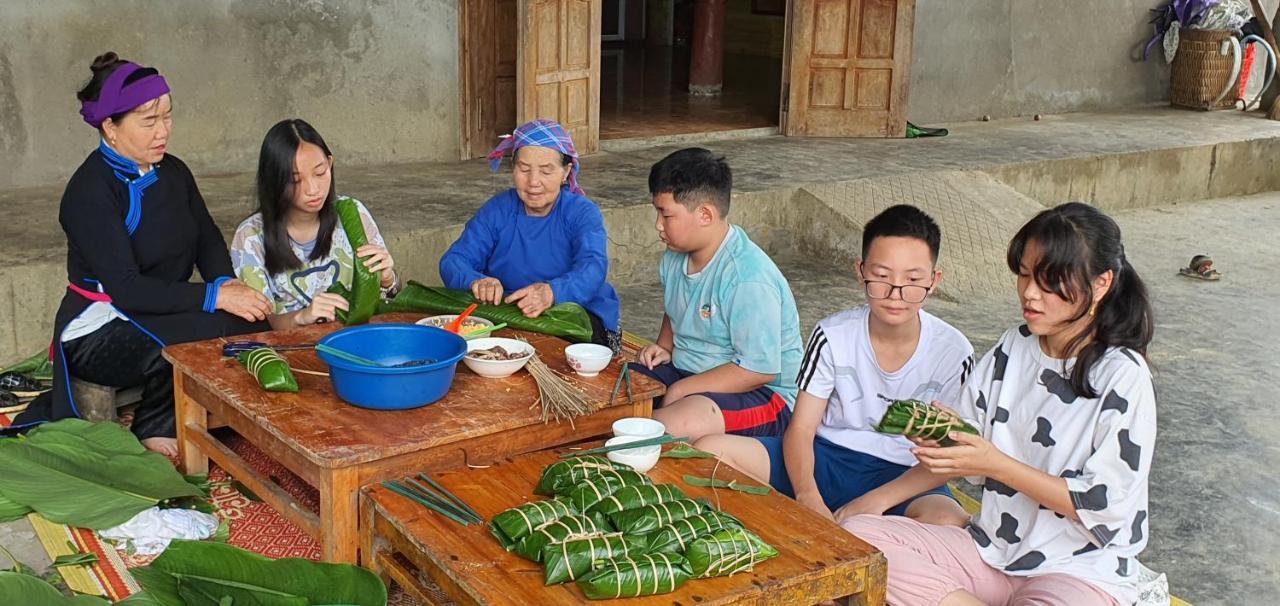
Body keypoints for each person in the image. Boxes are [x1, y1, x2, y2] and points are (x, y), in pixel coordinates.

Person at [843, 202, 1157, 606]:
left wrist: (994, 464)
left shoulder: (1121, 375)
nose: (1029, 294)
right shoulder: (1014, 347)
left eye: (1049, 282)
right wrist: (897, 479)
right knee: (858, 536)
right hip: (991, 553)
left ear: (1101, 284)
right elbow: (965, 445)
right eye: (1024, 275)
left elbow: (1104, 504)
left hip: (1078, 574)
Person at [13, 53, 272, 456]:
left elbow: (205, 237)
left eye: (168, 117)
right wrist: (213, 297)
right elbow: (127, 289)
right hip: (99, 323)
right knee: (195, 339)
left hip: (156, 305)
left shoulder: (174, 171)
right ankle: (156, 424)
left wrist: (225, 281)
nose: (163, 131)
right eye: (149, 122)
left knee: (250, 326)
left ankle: (197, 412)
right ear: (110, 128)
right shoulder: (89, 193)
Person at [696, 205, 972, 527]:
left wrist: (875, 501)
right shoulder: (832, 335)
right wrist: (807, 495)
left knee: (950, 522)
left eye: (912, 279)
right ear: (861, 271)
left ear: (934, 280)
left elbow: (952, 454)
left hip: (904, 477)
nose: (896, 294)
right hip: (825, 457)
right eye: (881, 277)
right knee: (710, 451)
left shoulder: (955, 352)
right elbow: (800, 429)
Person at [633, 148, 803, 441]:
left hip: (762, 394)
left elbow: (759, 370)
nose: (658, 225)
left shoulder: (747, 277)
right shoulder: (674, 257)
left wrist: (682, 389)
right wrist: (664, 346)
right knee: (619, 391)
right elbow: (676, 306)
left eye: (666, 214)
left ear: (705, 215)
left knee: (666, 426)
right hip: (688, 372)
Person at [439, 119, 621, 351]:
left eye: (546, 170)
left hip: (574, 315)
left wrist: (552, 292)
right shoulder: (498, 210)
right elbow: (454, 260)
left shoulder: (582, 213)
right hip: (511, 313)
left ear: (566, 172)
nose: (533, 182)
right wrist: (475, 280)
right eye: (524, 169)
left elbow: (593, 267)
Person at [230, 119, 398, 328]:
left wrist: (388, 280)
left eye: (320, 173)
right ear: (274, 181)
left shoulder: (352, 214)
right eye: (295, 180)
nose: (313, 189)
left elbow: (386, 300)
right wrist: (302, 317)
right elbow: (262, 323)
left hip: (354, 343)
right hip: (290, 352)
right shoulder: (251, 237)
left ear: (330, 163)